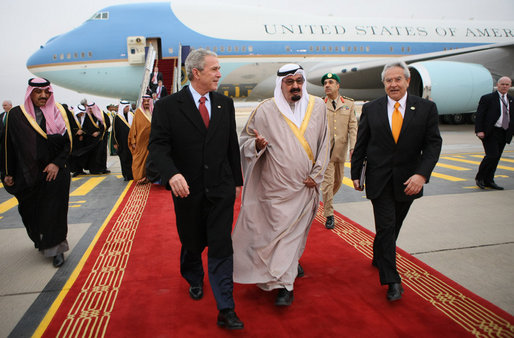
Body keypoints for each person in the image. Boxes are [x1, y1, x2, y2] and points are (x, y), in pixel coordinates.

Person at [148, 49, 244, 329]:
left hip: (221, 189)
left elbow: (230, 146)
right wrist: (172, 174)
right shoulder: (167, 106)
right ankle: (193, 277)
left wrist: (237, 182)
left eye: (219, 69)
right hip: (186, 191)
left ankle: (226, 307)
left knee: (220, 244)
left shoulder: (224, 104)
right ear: (196, 73)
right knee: (192, 241)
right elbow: (158, 146)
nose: (219, 74)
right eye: (214, 69)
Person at [233, 64, 329, 306]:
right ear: (280, 85)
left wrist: (317, 175)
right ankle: (284, 276)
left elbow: (325, 142)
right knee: (277, 235)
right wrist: (256, 146)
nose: (295, 86)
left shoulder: (317, 106)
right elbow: (244, 142)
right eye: (289, 82)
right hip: (274, 190)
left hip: (306, 186)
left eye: (299, 81)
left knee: (293, 235)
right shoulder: (265, 110)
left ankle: (284, 283)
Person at [351, 61, 442, 301]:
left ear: (407, 81)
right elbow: (362, 143)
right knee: (387, 225)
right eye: (388, 81)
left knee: (394, 225)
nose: (393, 84)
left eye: (398, 79)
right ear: (383, 84)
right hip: (378, 179)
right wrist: (355, 174)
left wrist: (422, 175)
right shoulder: (372, 108)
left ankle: (379, 253)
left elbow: (433, 144)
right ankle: (392, 280)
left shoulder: (426, 108)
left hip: (409, 180)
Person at [1, 78, 72, 267]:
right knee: (29, 211)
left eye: (46, 92)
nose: (43, 95)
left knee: (54, 211)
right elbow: (8, 144)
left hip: (55, 174)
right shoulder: (16, 115)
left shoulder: (61, 111)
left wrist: (56, 164)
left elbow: (68, 144)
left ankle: (57, 248)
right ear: (29, 92)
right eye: (38, 92)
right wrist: (8, 172)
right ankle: (41, 240)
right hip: (27, 174)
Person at [319, 73, 358, 229]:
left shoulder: (348, 104)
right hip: (325, 151)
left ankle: (325, 201)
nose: (327, 85)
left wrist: (353, 147)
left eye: (330, 82)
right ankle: (329, 214)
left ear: (338, 85)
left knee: (338, 181)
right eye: (325, 83)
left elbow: (353, 127)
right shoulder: (320, 104)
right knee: (327, 184)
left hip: (340, 152)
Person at [474, 76, 513, 190]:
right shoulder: (488, 98)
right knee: (492, 155)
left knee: (497, 157)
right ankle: (480, 178)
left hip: (504, 132)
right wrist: (479, 130)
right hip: (490, 132)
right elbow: (480, 115)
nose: (504, 86)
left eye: (507, 84)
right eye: (502, 84)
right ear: (498, 85)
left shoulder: (510, 99)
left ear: (510, 86)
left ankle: (489, 180)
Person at [128, 95, 158, 183]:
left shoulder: (154, 112)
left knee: (150, 161)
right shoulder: (138, 112)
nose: (146, 103)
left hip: (152, 142)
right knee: (139, 160)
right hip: (140, 143)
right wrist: (133, 141)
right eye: (144, 102)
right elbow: (133, 127)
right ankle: (140, 177)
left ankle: (148, 177)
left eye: (148, 101)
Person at [112, 100, 133, 181]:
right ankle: (126, 175)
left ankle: (133, 174)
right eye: (126, 107)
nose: (128, 108)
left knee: (131, 158)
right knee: (124, 158)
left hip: (131, 141)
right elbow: (114, 131)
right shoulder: (117, 117)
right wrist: (115, 142)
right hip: (122, 142)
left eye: (128, 106)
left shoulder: (131, 115)